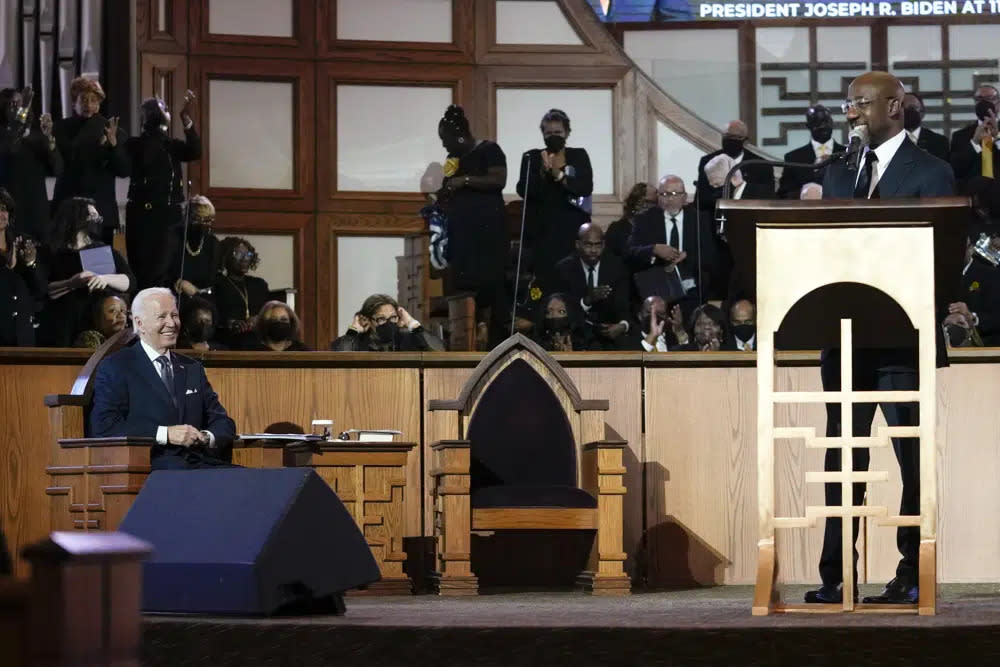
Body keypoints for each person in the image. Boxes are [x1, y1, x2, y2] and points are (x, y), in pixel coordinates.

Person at [808, 71, 955, 606]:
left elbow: (942, 258)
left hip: (902, 338)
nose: (851, 113)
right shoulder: (836, 174)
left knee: (910, 461)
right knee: (840, 460)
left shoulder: (932, 172)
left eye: (862, 104)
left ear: (895, 107)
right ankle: (835, 576)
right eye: (849, 104)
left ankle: (912, 572)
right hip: (845, 337)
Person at [89, 287, 237, 470]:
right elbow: (104, 426)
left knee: (256, 483)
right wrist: (165, 434)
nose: (172, 323)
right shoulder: (117, 367)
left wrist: (206, 436)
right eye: (162, 317)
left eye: (174, 315)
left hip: (201, 465)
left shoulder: (192, 368)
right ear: (139, 323)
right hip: (151, 468)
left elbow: (223, 422)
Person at [435, 104, 509, 345]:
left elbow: (499, 180)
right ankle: (467, 339)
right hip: (463, 236)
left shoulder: (490, 149)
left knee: (490, 289)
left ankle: (491, 338)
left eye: (446, 140)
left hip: (487, 235)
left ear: (459, 136)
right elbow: (449, 184)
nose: (444, 146)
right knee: (464, 289)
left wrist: (464, 181)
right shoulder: (453, 159)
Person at [125, 93, 201, 290]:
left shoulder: (171, 145)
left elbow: (195, 151)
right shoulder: (137, 144)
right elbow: (146, 155)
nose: (166, 112)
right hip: (143, 216)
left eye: (165, 109)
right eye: (162, 109)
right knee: (141, 270)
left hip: (168, 217)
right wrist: (157, 123)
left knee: (161, 272)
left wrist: (187, 122)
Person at [38, 197, 134, 347]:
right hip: (63, 324)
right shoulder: (51, 252)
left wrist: (105, 279)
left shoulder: (102, 250)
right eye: (92, 216)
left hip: (96, 323)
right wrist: (71, 283)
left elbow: (130, 282)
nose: (97, 221)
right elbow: (44, 289)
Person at [517, 109, 594, 288]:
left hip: (571, 229)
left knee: (570, 281)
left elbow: (584, 187)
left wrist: (558, 175)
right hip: (541, 232)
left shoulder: (578, 155)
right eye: (549, 132)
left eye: (558, 132)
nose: (553, 136)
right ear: (542, 134)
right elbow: (524, 189)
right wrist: (543, 173)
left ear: (567, 133)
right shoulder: (532, 157)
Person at [51, 77, 129, 245]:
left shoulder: (111, 129)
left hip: (100, 211)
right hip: (67, 209)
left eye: (94, 100)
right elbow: (55, 166)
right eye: (84, 100)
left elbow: (124, 170)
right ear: (74, 103)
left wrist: (113, 145)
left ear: (99, 104)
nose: (89, 104)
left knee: (99, 266)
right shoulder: (60, 129)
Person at [628, 174, 719, 302]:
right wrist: (654, 249)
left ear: (685, 197)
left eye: (675, 193)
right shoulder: (645, 219)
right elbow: (630, 252)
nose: (669, 199)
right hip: (657, 288)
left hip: (692, 287)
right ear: (658, 198)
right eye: (664, 194)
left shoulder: (700, 219)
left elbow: (711, 256)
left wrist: (687, 256)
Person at [551, 223, 631, 350]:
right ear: (578, 245)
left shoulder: (617, 267)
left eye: (598, 245)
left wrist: (622, 325)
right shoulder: (564, 269)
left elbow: (625, 308)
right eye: (588, 244)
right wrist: (587, 301)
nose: (594, 250)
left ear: (604, 245)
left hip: (611, 338)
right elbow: (561, 313)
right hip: (576, 335)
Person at [0, 87, 63, 244]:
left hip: (37, 215)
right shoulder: (4, 136)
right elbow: (11, 145)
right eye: (12, 105)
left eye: (20, 104)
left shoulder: (38, 137)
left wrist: (50, 141)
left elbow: (57, 169)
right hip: (11, 214)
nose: (19, 109)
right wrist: (22, 111)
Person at [695, 119, 774, 215]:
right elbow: (701, 200)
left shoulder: (761, 165)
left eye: (737, 137)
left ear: (745, 141)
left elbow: (768, 199)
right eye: (728, 136)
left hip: (749, 219)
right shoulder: (709, 161)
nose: (731, 141)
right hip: (715, 220)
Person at [777, 105, 845, 199]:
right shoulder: (793, 158)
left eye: (826, 121)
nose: (823, 126)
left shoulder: (848, 153)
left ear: (832, 122)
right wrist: (804, 193)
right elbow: (783, 193)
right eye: (817, 123)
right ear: (808, 126)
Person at [330, 293, 439, 351]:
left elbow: (438, 349)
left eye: (393, 317)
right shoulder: (358, 341)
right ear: (367, 320)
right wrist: (353, 330)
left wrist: (411, 323)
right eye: (381, 319)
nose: (388, 323)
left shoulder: (407, 338)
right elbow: (341, 355)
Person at [212, 236, 270, 344]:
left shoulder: (259, 284)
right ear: (226, 256)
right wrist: (230, 323)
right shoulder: (217, 283)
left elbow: (269, 312)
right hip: (228, 338)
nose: (245, 259)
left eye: (248, 254)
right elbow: (213, 313)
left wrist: (259, 319)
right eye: (238, 254)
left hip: (258, 337)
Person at [949, 84, 999, 194]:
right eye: (979, 99)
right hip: (972, 196)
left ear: (998, 103)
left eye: (990, 98)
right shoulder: (960, 135)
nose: (984, 103)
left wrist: (998, 138)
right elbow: (955, 170)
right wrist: (974, 143)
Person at [174, 195, 221, 299]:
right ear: (189, 219)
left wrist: (196, 292)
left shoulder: (212, 243)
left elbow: (212, 282)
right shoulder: (174, 237)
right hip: (175, 296)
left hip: (203, 298)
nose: (208, 225)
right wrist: (179, 283)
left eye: (210, 220)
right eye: (203, 220)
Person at [605, 182, 655, 263]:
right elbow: (608, 260)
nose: (648, 207)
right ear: (635, 203)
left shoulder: (657, 228)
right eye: (646, 202)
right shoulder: (617, 229)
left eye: (653, 203)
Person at [234, 300, 310, 351]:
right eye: (273, 320)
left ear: (291, 322)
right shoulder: (252, 351)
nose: (279, 323)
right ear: (263, 324)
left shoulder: (301, 350)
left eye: (284, 320)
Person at [902, 93, 949, 163]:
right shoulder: (888, 141)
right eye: (903, 108)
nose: (908, 112)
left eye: (912, 108)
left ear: (922, 113)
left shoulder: (939, 142)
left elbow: (944, 171)